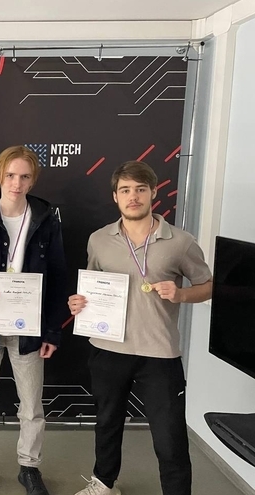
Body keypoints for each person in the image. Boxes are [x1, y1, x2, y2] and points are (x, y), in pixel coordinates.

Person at [68, 161, 212, 495]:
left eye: (140, 189)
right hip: (108, 348)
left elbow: (208, 285)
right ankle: (104, 483)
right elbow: (91, 286)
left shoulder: (181, 242)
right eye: (125, 190)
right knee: (107, 424)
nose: (133, 197)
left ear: (153, 193)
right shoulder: (99, 240)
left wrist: (181, 294)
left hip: (159, 352)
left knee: (169, 435)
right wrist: (79, 303)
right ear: (115, 196)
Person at [0, 145, 67, 495]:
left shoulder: (46, 222)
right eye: (10, 175)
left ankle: (29, 466)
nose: (16, 183)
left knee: (32, 405)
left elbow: (59, 278)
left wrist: (53, 330)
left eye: (24, 176)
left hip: (30, 328)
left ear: (32, 180)